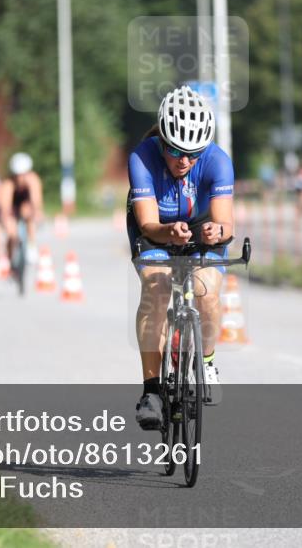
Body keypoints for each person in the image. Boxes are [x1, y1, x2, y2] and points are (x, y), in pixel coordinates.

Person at [127, 85, 234, 430]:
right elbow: (147, 224)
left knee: (207, 290)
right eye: (175, 151)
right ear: (162, 141)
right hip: (156, 229)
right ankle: (151, 392)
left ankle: (208, 362)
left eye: (193, 153)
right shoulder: (142, 158)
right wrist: (169, 232)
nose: (184, 161)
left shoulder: (218, 161)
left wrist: (217, 232)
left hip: (201, 229)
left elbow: (226, 223)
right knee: (156, 290)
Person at [0, 152, 44, 264]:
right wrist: (6, 220)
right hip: (12, 207)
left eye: (23, 174)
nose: (20, 178)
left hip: (25, 206)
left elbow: (36, 201)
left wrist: (37, 212)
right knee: (11, 233)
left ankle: (31, 244)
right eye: (17, 175)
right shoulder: (8, 183)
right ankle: (8, 258)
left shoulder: (33, 180)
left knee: (29, 214)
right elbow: (5, 205)